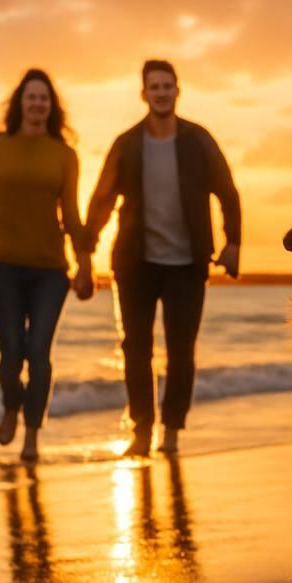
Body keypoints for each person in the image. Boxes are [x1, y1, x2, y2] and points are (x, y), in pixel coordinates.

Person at [77, 59, 241, 456]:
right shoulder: (127, 143)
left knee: (181, 350)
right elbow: (101, 199)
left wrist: (232, 242)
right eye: (155, 86)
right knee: (135, 348)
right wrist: (85, 251)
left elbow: (226, 190)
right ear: (143, 93)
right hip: (135, 263)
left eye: (168, 86)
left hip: (187, 264)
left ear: (177, 91)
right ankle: (141, 430)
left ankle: (171, 429)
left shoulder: (198, 139)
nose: (161, 92)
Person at [0, 68, 83, 463]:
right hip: (1, 266)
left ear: (51, 106)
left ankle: (31, 436)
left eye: (44, 97)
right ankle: (11, 404)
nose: (37, 103)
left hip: (50, 269)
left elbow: (73, 214)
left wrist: (85, 263)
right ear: (19, 103)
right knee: (12, 351)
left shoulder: (64, 154)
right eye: (31, 97)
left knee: (39, 351)